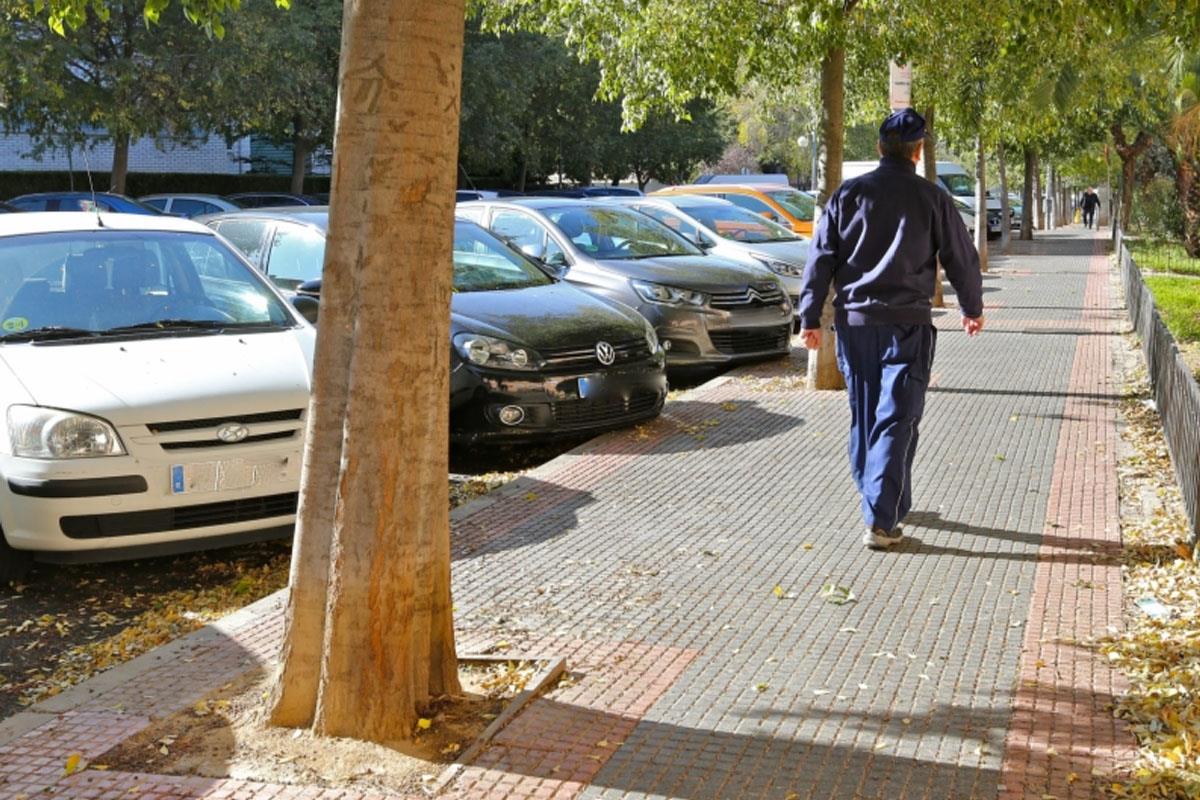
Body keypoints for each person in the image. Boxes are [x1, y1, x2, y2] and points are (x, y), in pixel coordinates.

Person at [797, 108, 984, 551]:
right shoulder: (932, 198)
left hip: (856, 326)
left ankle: (879, 498)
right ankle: (881, 517)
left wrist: (809, 317)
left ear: (880, 147)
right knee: (897, 417)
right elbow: (961, 255)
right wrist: (971, 306)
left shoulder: (848, 195)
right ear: (918, 152)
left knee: (867, 417)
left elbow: (820, 257)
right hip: (906, 326)